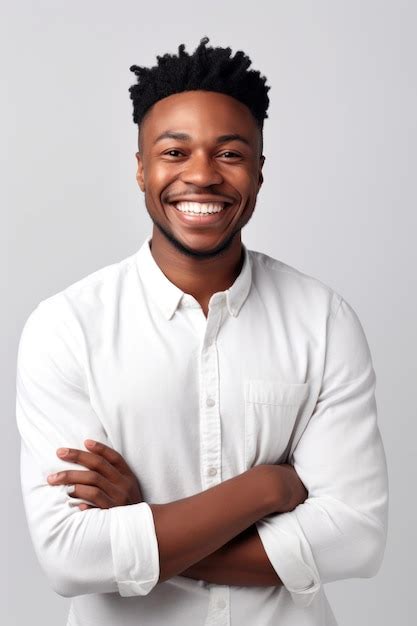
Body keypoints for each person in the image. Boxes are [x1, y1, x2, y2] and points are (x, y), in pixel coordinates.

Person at [15, 36, 389, 626]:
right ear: (141, 168)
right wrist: (265, 489)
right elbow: (69, 557)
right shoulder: (66, 328)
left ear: (260, 172)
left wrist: (145, 523)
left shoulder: (322, 320)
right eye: (174, 152)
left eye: (230, 154)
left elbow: (356, 538)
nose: (202, 176)